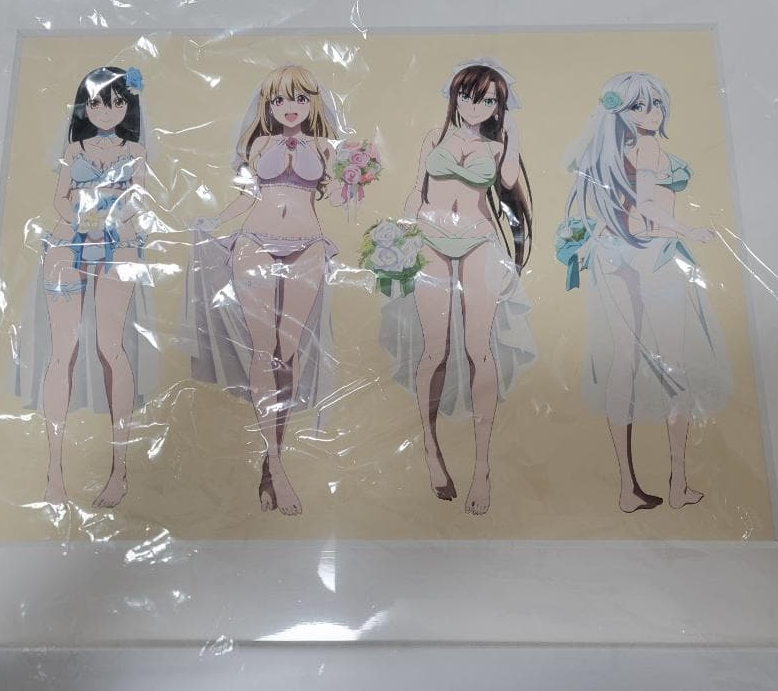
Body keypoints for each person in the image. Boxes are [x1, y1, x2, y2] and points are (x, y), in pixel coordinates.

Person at [562, 71, 731, 513]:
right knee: (673, 364)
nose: (651, 113)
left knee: (624, 362)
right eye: (639, 105)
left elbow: (609, 210)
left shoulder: (607, 153)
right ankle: (678, 483)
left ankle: (628, 488)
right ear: (620, 111)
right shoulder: (650, 148)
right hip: (654, 254)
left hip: (613, 256)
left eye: (655, 103)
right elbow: (649, 205)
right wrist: (688, 230)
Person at [181, 65, 345, 516]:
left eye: (299, 99)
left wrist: (354, 182)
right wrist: (215, 221)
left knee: (286, 353)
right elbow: (248, 195)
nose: (290, 107)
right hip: (254, 241)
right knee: (262, 349)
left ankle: (273, 461)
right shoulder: (258, 145)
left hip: (308, 245)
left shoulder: (326, 147)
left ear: (312, 104)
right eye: (279, 100)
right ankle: (275, 461)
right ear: (268, 106)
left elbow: (336, 196)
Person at [382, 60, 536, 516]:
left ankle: (482, 467)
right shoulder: (434, 137)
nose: (475, 106)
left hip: (479, 239)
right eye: (468, 96)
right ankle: (431, 449)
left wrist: (513, 135)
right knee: (435, 349)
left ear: (498, 106)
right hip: (430, 238)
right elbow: (417, 190)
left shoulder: (499, 144)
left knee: (479, 349)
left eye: (488, 100)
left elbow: (508, 183)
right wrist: (399, 235)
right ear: (455, 96)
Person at [14, 65, 156, 509]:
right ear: (85, 106)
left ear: (128, 106)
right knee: (63, 351)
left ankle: (120, 471)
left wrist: (105, 220)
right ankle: (54, 472)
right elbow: (60, 197)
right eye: (96, 102)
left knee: (111, 347)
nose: (106, 111)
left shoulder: (135, 151)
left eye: (116, 103)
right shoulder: (72, 148)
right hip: (66, 245)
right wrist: (84, 219)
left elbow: (137, 198)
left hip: (119, 247)